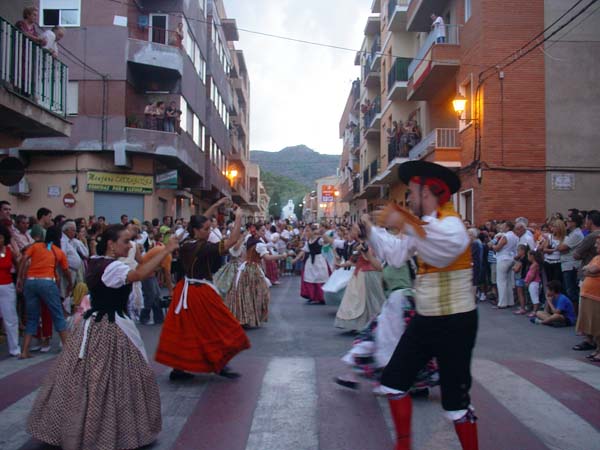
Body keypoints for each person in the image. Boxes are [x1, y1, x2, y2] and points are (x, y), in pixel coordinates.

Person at [27, 224, 179, 450]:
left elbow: (138, 269)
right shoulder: (112, 267)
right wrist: (165, 251)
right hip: (110, 326)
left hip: (93, 323)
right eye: (125, 241)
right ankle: (102, 432)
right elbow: (139, 274)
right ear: (111, 243)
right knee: (109, 381)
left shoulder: (96, 260)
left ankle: (72, 426)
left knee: (81, 378)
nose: (129, 246)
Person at [366, 161, 478, 450]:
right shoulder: (421, 227)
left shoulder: (451, 223)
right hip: (426, 318)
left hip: (456, 321)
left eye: (412, 193)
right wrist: (371, 229)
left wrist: (405, 222)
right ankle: (403, 445)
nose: (408, 200)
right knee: (393, 381)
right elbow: (395, 254)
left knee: (456, 400)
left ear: (428, 192)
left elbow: (442, 250)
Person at [155, 204, 250, 380]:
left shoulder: (186, 242)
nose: (209, 232)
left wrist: (214, 206)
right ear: (197, 231)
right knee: (217, 326)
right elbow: (232, 240)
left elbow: (197, 221)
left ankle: (180, 368)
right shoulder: (202, 247)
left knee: (187, 330)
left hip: (185, 289)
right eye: (206, 229)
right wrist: (238, 217)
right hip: (198, 292)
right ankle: (218, 363)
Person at [17, 226, 72, 359]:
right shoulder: (58, 251)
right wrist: (70, 283)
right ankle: (67, 349)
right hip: (47, 282)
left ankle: (24, 351)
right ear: (59, 237)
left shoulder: (36, 247)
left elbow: (24, 258)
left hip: (30, 282)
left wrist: (20, 277)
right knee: (57, 314)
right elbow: (66, 271)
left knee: (31, 317)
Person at [225, 223, 285, 327]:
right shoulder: (259, 244)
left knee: (246, 293)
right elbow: (267, 258)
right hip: (253, 269)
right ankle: (249, 317)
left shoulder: (250, 239)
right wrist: (282, 256)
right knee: (260, 293)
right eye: (262, 230)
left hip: (245, 267)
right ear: (256, 231)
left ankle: (244, 317)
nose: (264, 232)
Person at [335, 223, 386, 331]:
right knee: (359, 300)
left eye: (353, 230)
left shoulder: (366, 244)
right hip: (360, 273)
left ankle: (372, 324)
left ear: (359, 232)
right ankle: (364, 323)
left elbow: (369, 258)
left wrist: (363, 251)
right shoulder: (359, 244)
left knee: (368, 300)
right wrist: (341, 265)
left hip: (367, 274)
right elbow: (353, 260)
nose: (351, 232)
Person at [572, 210, 600, 352]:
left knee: (588, 312)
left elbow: (576, 254)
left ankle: (589, 339)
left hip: (589, 278)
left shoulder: (591, 237)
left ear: (590, 221)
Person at [293, 225, 330, 305]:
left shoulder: (319, 240)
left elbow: (327, 242)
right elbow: (303, 251)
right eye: (306, 231)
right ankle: (313, 296)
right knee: (311, 278)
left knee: (319, 278)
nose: (306, 233)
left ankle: (321, 297)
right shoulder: (308, 241)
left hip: (319, 260)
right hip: (311, 261)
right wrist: (296, 259)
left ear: (313, 231)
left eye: (307, 231)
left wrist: (322, 234)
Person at [577, 235, 600, 362]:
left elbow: (593, 269)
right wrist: (590, 270)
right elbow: (586, 270)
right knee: (591, 324)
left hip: (596, 295)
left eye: (598, 244)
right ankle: (596, 349)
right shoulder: (596, 257)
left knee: (597, 324)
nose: (596, 246)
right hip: (588, 293)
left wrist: (590, 270)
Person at [0, 224, 21, 356]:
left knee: (11, 318)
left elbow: (19, 263)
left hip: (7, 286)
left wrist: (19, 280)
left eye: (1, 237)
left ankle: (14, 348)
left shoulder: (9, 251)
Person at [491, 221, 518, 309]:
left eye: (504, 226)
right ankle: (510, 301)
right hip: (512, 258)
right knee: (509, 281)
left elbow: (498, 248)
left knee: (501, 281)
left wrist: (492, 246)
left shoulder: (506, 236)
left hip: (503, 258)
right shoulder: (515, 236)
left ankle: (502, 303)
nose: (502, 227)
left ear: (508, 228)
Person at [558, 214, 584, 306]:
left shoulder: (576, 234)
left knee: (571, 291)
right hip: (566, 264)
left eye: (569, 221)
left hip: (571, 265)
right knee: (568, 290)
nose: (567, 223)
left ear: (574, 223)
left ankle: (574, 315)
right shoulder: (571, 234)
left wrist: (558, 246)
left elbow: (562, 247)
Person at [524, 250, 543, 318]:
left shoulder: (535, 265)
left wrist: (528, 282)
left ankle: (535, 311)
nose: (527, 257)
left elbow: (532, 275)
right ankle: (534, 310)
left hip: (534, 283)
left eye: (528, 256)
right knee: (533, 297)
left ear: (532, 256)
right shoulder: (534, 264)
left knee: (534, 297)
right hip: (533, 283)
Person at [512, 245, 529, 315]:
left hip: (520, 277)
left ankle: (522, 308)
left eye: (518, 250)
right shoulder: (526, 258)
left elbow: (516, 269)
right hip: (524, 277)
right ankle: (524, 306)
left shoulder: (522, 260)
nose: (517, 252)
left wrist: (514, 267)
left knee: (520, 293)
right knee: (523, 293)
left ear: (523, 251)